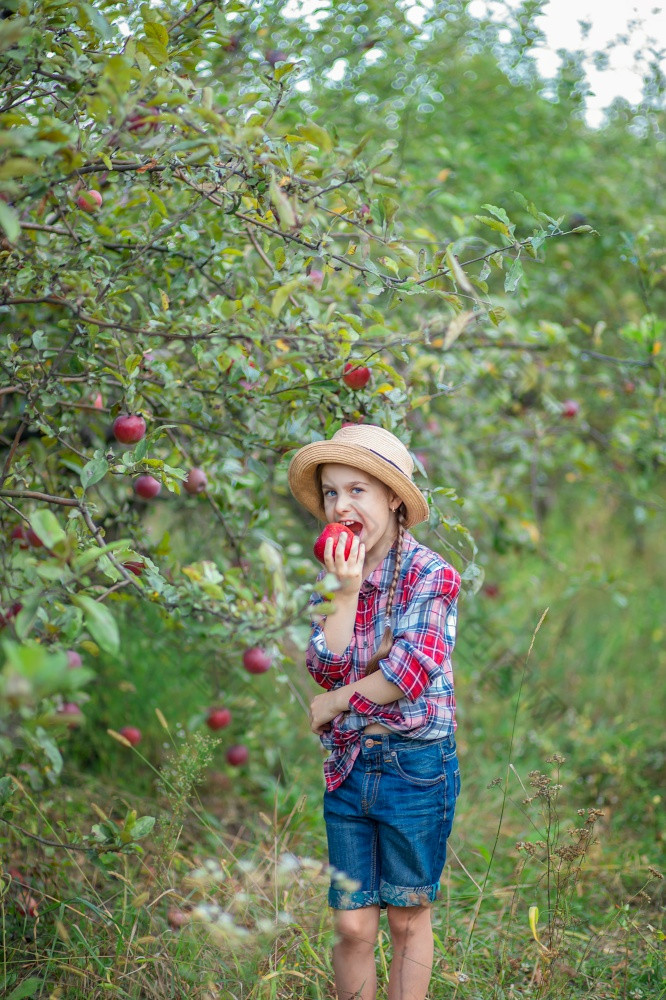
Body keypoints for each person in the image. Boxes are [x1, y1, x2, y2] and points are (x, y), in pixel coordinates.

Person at [288, 423, 462, 1000]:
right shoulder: (334, 573)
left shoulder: (431, 576)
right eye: (332, 492)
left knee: (406, 916)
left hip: (416, 765)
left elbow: (410, 673)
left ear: (392, 497)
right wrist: (343, 590)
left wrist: (338, 702)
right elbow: (324, 665)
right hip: (350, 762)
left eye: (357, 490)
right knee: (351, 922)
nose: (341, 505)